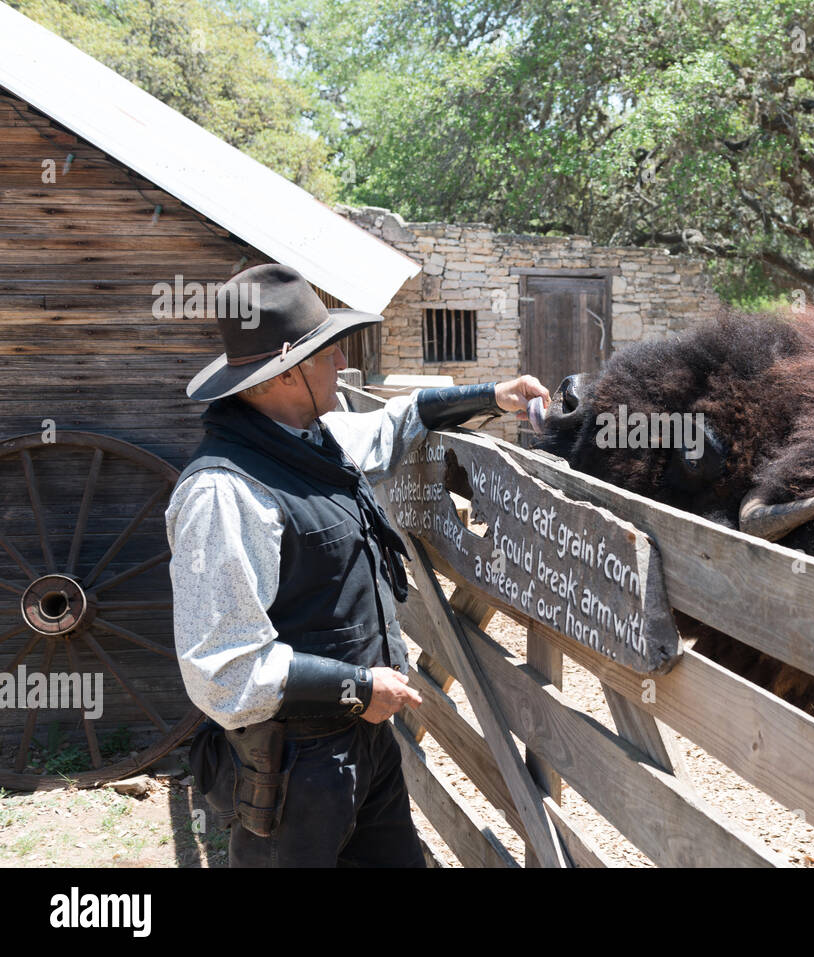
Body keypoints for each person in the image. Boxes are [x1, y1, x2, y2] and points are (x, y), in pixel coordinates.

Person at [166, 262, 549, 866]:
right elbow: (223, 670)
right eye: (327, 354)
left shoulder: (312, 438)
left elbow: (397, 421)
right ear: (289, 371)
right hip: (291, 771)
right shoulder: (224, 492)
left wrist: (490, 396)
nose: (340, 365)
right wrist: (357, 687)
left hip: (363, 747)